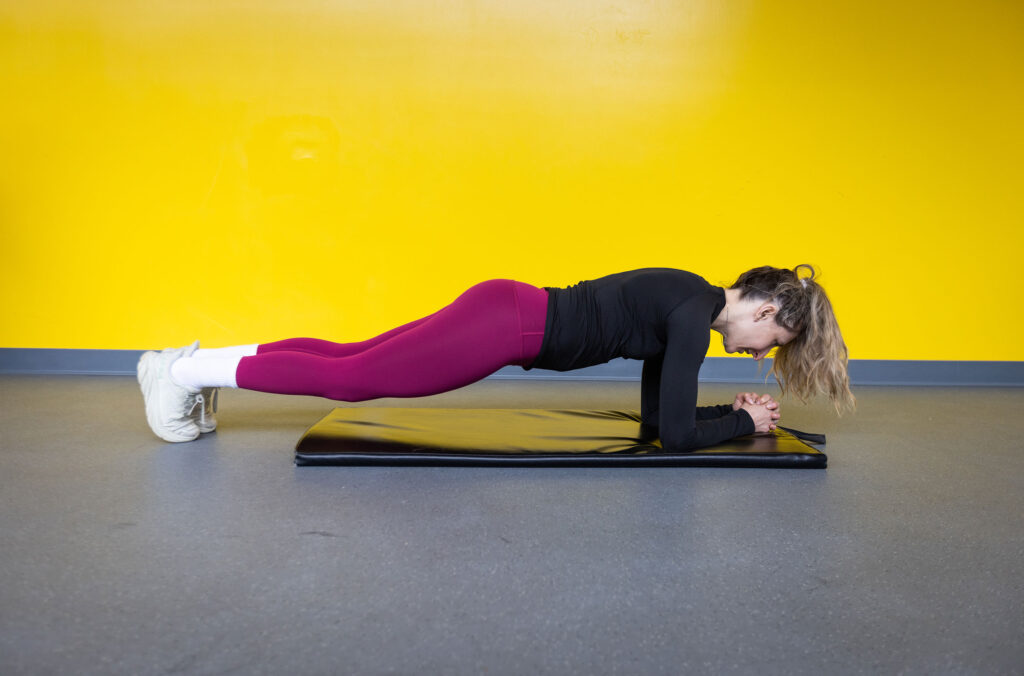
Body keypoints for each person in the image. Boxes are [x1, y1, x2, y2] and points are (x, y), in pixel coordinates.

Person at [138, 265, 854, 448]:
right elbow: (671, 433)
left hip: (504, 309)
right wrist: (745, 424)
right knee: (354, 378)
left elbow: (654, 416)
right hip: (506, 329)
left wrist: (725, 414)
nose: (764, 357)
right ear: (765, 312)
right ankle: (177, 373)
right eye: (775, 344)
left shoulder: (689, 300)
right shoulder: (693, 318)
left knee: (351, 356)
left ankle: (192, 365)